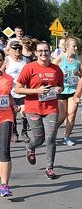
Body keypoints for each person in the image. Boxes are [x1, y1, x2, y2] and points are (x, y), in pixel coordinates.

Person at [15, 41, 64, 180]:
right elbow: (17, 88)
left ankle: (50, 168)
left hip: (51, 108)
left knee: (51, 139)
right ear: (36, 53)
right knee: (39, 138)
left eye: (46, 51)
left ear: (50, 52)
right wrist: (37, 91)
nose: (44, 53)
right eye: (40, 51)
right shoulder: (29, 68)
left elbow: (61, 86)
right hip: (33, 108)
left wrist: (59, 89)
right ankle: (30, 147)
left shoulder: (56, 69)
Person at [53, 36, 82, 146]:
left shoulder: (79, 59)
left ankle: (66, 137)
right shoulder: (60, 58)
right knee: (62, 116)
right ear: (67, 47)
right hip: (61, 90)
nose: (76, 48)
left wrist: (79, 74)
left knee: (71, 115)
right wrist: (60, 74)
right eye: (73, 46)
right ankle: (51, 132)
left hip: (74, 91)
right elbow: (51, 72)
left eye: (76, 46)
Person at [0, 50, 18, 197]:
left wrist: (14, 105)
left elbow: (7, 95)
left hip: (5, 116)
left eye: (0, 60)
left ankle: (4, 185)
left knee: (4, 150)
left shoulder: (8, 79)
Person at [4, 39, 29, 143]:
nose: (17, 50)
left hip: (23, 91)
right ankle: (14, 132)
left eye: (19, 48)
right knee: (13, 113)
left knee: (24, 112)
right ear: (10, 49)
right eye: (15, 48)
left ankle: (24, 132)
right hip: (11, 92)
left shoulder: (26, 60)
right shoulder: (7, 60)